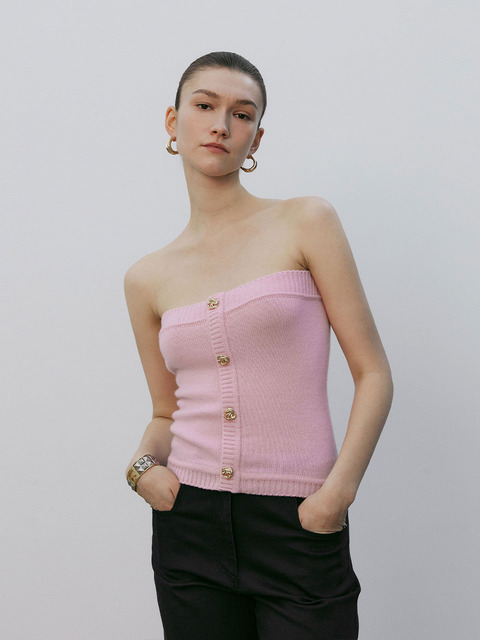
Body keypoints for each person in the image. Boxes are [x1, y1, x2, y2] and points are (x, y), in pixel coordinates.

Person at [123, 51, 394, 640]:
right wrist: (141, 469)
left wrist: (335, 497)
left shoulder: (306, 222)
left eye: (242, 114)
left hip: (297, 521)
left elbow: (373, 372)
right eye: (204, 106)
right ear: (172, 121)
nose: (221, 124)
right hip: (188, 525)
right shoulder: (146, 278)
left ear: (256, 137)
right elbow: (165, 412)